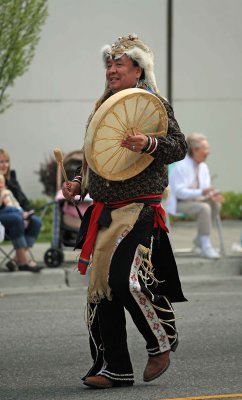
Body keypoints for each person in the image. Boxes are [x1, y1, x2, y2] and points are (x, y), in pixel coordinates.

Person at [62, 34, 187, 389]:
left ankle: (160, 340)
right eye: (109, 63)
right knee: (101, 290)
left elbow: (179, 147)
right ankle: (114, 367)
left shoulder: (153, 104)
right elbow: (95, 158)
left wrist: (148, 142)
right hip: (105, 212)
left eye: (119, 64)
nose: (112, 69)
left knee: (123, 280)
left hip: (138, 210)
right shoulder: (102, 105)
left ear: (138, 69)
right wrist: (78, 184)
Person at [166, 132, 224, 259]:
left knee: (215, 205)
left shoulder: (203, 167)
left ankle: (200, 239)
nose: (208, 152)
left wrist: (211, 195)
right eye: (205, 149)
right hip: (179, 203)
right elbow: (179, 192)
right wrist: (202, 193)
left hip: (196, 201)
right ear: (195, 150)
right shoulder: (181, 166)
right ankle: (205, 246)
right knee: (204, 208)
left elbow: (204, 190)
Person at [0, 149, 43, 272]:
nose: (4, 165)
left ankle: (16, 259)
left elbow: (23, 201)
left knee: (36, 221)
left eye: (6, 161)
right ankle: (24, 261)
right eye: (1, 162)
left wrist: (29, 211)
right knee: (16, 218)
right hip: (3, 216)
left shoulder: (12, 180)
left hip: (16, 215)